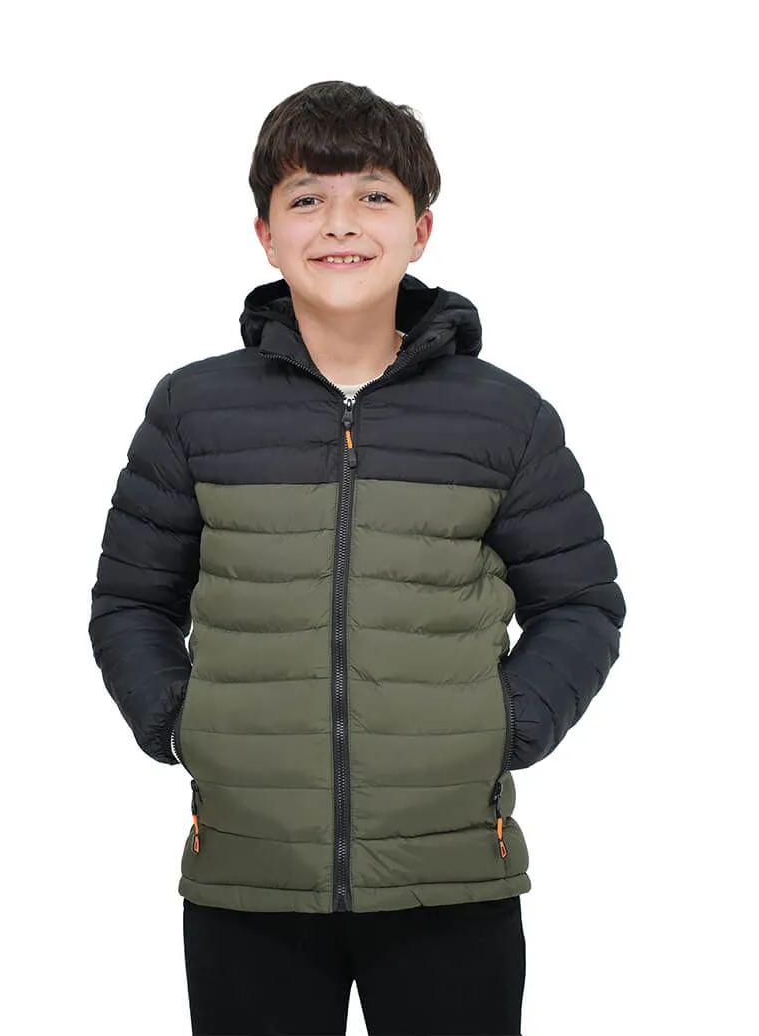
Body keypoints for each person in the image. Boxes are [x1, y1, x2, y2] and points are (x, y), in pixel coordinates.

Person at [88, 79, 626, 1036]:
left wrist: (504, 726)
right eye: (307, 197)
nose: (340, 223)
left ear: (421, 230)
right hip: (248, 876)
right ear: (266, 235)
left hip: (452, 878)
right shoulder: (193, 410)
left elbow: (581, 603)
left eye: (373, 195)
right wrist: (178, 720)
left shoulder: (504, 417)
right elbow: (132, 600)